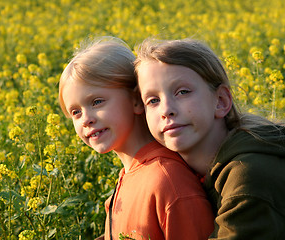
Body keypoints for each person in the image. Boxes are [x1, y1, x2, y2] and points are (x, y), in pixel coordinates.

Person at [58, 37, 214, 240]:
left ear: (136, 100)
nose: (86, 119)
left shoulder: (167, 181)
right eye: (76, 112)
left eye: (97, 102)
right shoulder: (130, 175)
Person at [134, 38, 285, 239]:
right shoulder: (189, 172)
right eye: (153, 100)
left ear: (221, 101)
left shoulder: (247, 178)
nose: (166, 110)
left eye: (182, 92)